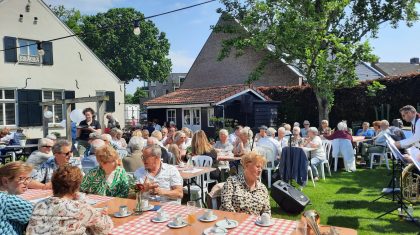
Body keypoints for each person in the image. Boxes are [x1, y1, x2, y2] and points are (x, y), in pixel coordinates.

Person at [26, 165, 113, 234]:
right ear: (76, 187)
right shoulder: (79, 207)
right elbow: (105, 229)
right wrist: (103, 214)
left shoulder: (39, 205)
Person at [220, 151, 270, 215]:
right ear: (246, 166)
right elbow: (226, 205)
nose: (260, 170)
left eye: (261, 167)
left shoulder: (262, 188)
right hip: (233, 222)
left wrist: (264, 221)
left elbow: (267, 211)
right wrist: (240, 219)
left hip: (255, 223)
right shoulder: (232, 182)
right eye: (257, 166)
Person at [0, 162, 34, 235]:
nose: (26, 183)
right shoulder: (8, 201)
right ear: (5, 181)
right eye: (21, 178)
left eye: (28, 178)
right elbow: (41, 214)